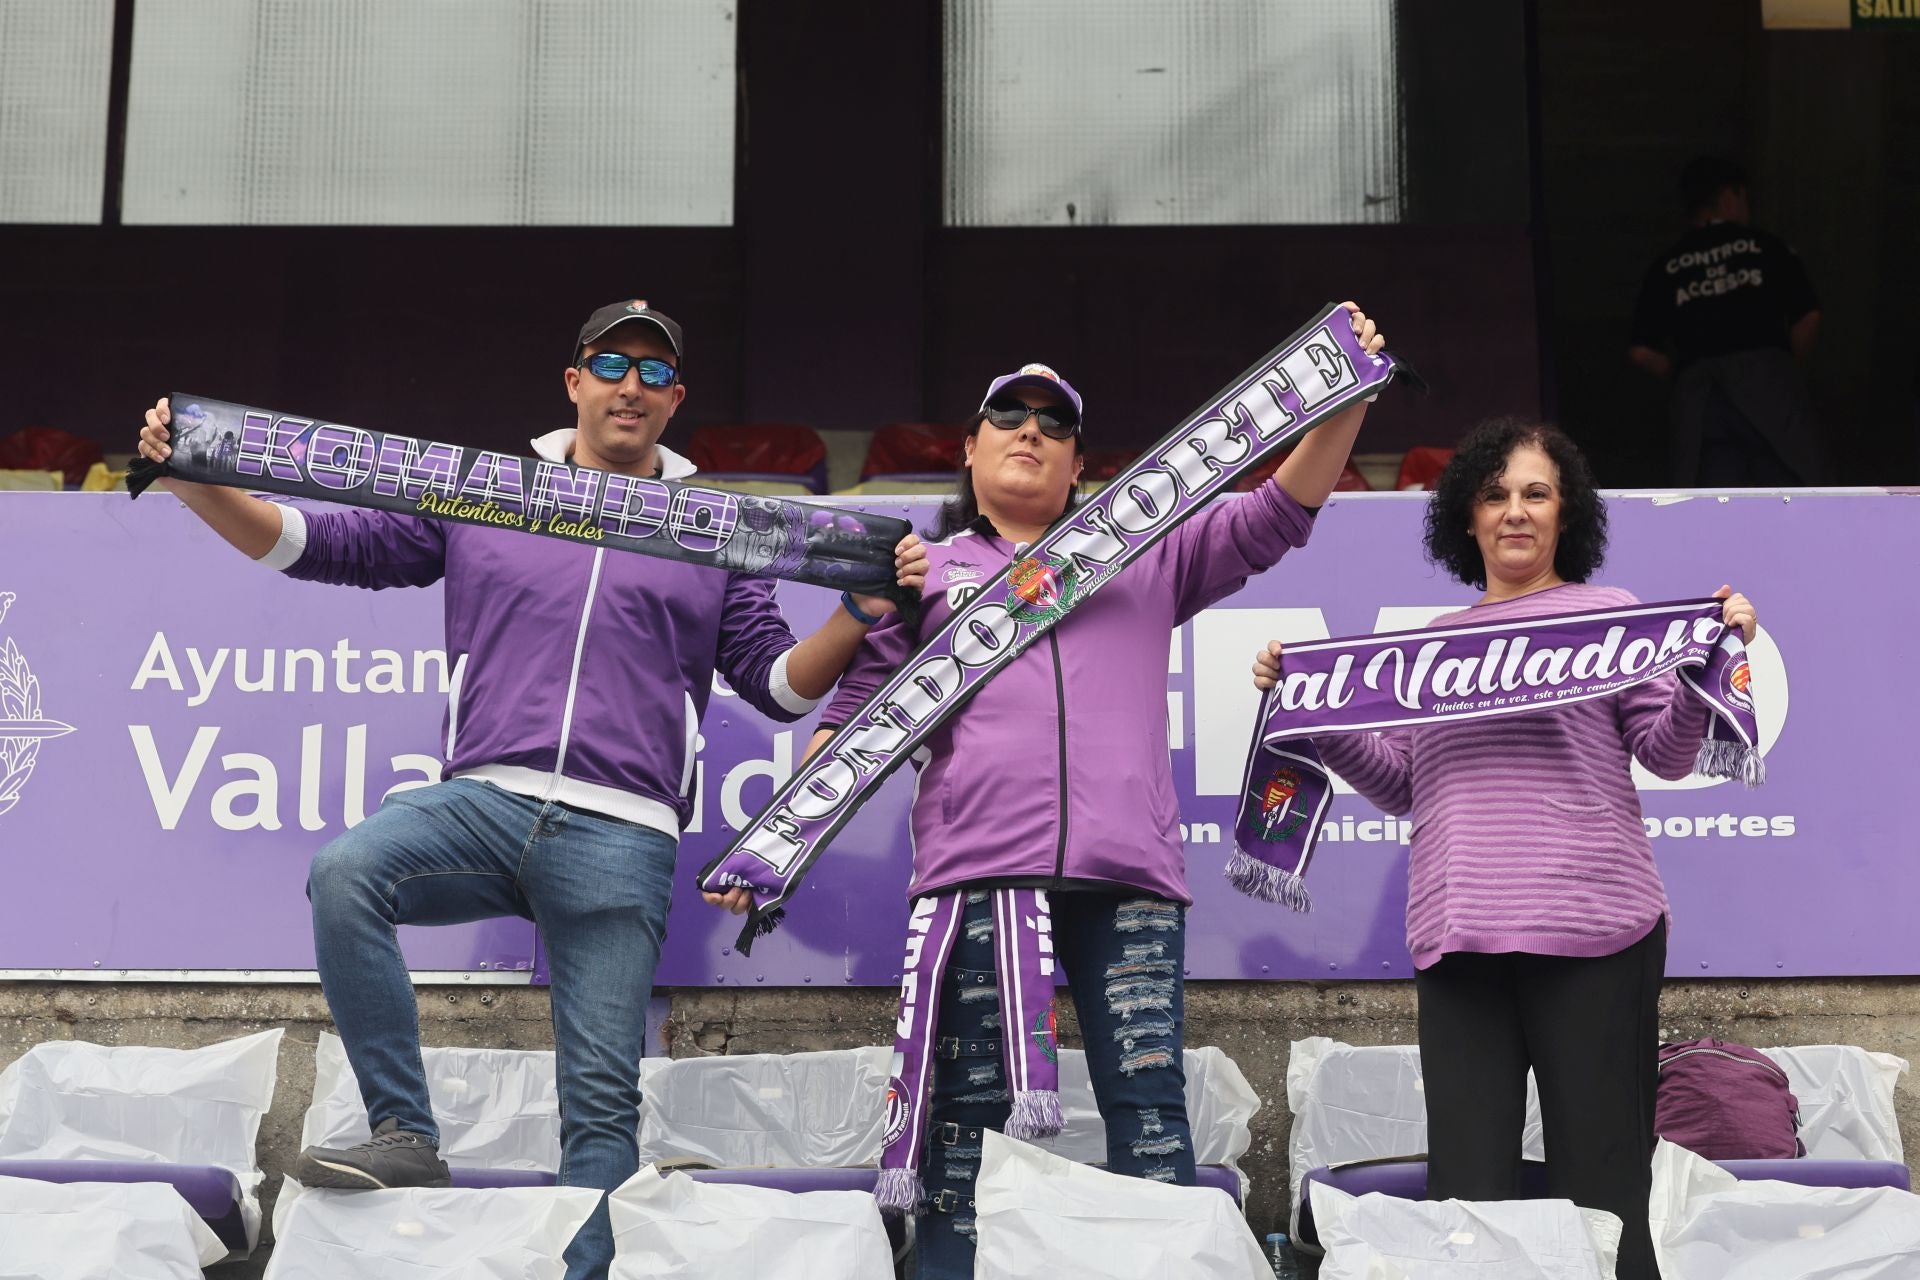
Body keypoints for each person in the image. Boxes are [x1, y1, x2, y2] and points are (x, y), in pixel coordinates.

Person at [135, 299, 926, 1280]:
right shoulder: (489, 491)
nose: (630, 383)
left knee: (599, 1111)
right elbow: (320, 543)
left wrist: (856, 613)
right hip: (487, 799)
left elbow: (774, 684)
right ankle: (403, 1130)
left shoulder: (717, 528)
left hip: (624, 835)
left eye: (652, 371)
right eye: (611, 362)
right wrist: (191, 477)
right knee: (347, 871)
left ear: (675, 398)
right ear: (574, 382)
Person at [709, 305, 1385, 1278]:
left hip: (1131, 876)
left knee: (1149, 1105)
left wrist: (1348, 389)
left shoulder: (1150, 550)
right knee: (964, 1121)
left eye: (1055, 422)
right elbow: (849, 727)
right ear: (972, 452)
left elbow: (1280, 511)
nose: (1032, 429)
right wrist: (770, 851)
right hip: (979, 875)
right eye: (1009, 415)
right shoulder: (924, 577)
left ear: (1079, 467)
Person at [1253, 418, 1758, 1280]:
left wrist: (1710, 666)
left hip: (1596, 937)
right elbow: (1401, 784)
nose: (1514, 512)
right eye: (1494, 495)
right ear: (1467, 517)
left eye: (1535, 494)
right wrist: (1319, 715)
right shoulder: (1430, 645)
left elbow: (1667, 753)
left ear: (1567, 515)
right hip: (1460, 942)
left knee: (1605, 1185)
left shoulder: (1613, 619)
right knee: (1469, 1197)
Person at [1628, 156, 1827, 486]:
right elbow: (1809, 315)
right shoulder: (1766, 247)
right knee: (1788, 495)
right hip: (1771, 391)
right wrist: (1783, 370)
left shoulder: (1666, 265)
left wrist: (1683, 374)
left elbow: (1641, 351)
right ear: (1729, 196)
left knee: (1710, 506)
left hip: (1701, 402)